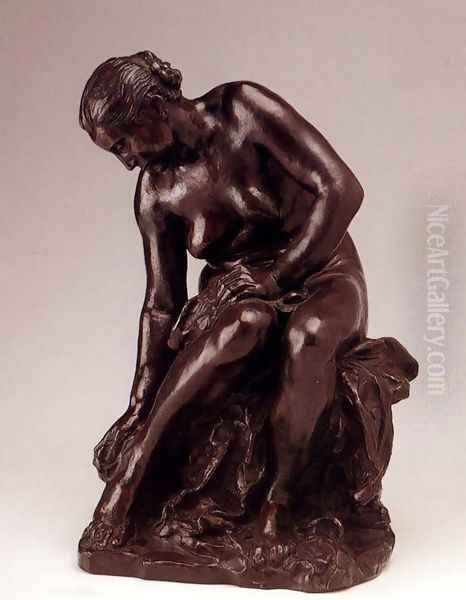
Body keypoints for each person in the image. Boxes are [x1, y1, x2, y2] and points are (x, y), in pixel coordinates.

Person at [79, 50, 368, 545]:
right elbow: (161, 305)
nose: (126, 161)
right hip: (236, 293)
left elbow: (342, 189)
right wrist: (139, 401)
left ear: (154, 106)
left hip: (321, 270)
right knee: (242, 326)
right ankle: (132, 474)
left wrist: (275, 277)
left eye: (124, 142)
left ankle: (281, 502)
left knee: (308, 337)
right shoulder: (156, 193)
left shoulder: (242, 109)